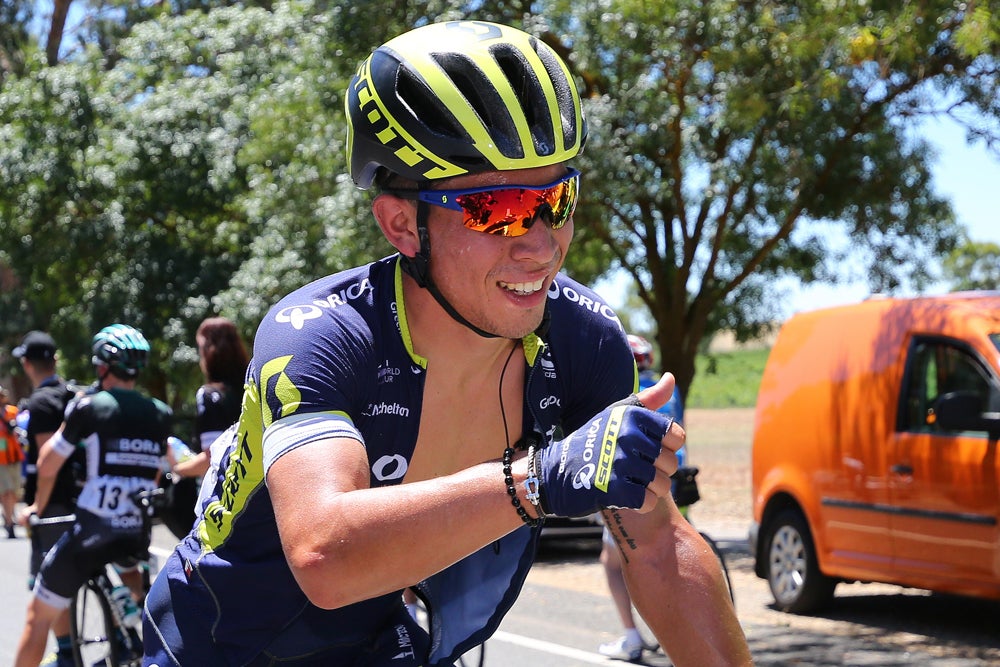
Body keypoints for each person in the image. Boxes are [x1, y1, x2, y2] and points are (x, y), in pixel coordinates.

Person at [143, 20, 751, 667]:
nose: (542, 245)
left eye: (557, 197)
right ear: (402, 223)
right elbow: (324, 555)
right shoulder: (320, 333)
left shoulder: (582, 343)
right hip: (215, 636)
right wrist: (537, 480)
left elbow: (657, 548)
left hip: (373, 635)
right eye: (500, 208)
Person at [13, 324, 172, 667]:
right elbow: (156, 472)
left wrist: (37, 508)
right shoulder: (160, 413)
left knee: (36, 615)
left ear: (102, 366)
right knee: (134, 580)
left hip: (94, 532)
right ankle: (129, 627)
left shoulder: (89, 406)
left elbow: (48, 463)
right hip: (137, 533)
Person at [598, 334, 688, 661]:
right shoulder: (671, 391)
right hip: (672, 479)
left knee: (613, 563)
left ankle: (633, 636)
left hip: (631, 485)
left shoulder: (618, 390)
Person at [11, 331, 83, 667]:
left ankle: (67, 652)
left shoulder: (40, 402)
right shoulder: (73, 394)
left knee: (50, 583)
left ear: (27, 364)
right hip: (80, 496)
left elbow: (46, 463)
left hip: (52, 503)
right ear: (54, 360)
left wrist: (37, 506)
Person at [165, 317, 249, 535]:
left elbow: (213, 458)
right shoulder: (252, 389)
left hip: (222, 503)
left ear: (209, 351)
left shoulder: (209, 395)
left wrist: (178, 469)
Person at [1, 384, 26, 539]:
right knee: (6, 491)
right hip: (1, 459)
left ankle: (8, 514)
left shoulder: (12, 411)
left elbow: (19, 429)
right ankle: (10, 522)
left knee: (16, 492)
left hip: (15, 456)